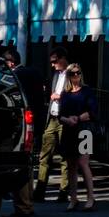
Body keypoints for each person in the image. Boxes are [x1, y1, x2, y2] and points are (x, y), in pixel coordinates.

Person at [2, 47, 44, 217]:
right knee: (28, 164)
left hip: (20, 126)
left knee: (18, 165)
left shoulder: (15, 76)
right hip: (35, 124)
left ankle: (23, 205)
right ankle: (27, 203)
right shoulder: (34, 73)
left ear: (10, 63)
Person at [58, 64, 99, 211]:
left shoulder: (87, 91)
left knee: (83, 162)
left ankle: (90, 198)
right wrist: (67, 119)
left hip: (85, 130)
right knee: (71, 166)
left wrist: (79, 118)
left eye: (78, 73)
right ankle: (73, 198)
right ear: (68, 76)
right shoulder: (65, 94)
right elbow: (60, 115)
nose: (76, 76)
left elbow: (93, 111)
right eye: (73, 74)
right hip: (69, 131)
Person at [34, 46, 70, 203]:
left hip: (65, 118)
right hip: (52, 117)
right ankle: (39, 191)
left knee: (65, 156)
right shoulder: (55, 75)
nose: (53, 65)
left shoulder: (73, 73)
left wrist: (59, 96)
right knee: (45, 156)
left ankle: (63, 191)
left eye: (55, 61)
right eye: (51, 62)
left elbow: (78, 93)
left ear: (62, 59)